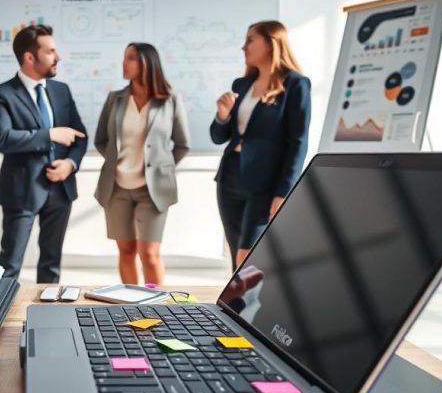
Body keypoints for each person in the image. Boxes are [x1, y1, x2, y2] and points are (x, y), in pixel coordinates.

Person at [0, 24, 87, 282]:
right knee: (10, 264)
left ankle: (48, 317)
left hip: (60, 189)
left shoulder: (60, 90)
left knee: (51, 265)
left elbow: (80, 137)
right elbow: (4, 139)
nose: (58, 57)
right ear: (29, 57)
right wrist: (49, 135)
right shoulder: (1, 94)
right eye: (51, 51)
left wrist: (70, 164)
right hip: (21, 191)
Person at [211, 20, 311, 268]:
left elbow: (297, 143)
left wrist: (283, 192)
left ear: (271, 43)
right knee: (236, 253)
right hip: (230, 177)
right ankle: (238, 306)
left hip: (265, 184)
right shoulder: (241, 85)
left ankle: (249, 305)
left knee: (250, 255)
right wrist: (223, 115)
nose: (243, 47)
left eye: (250, 40)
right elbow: (219, 136)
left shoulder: (296, 85)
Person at [94, 43, 190, 285]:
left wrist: (161, 169)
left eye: (131, 58)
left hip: (153, 191)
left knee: (149, 254)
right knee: (126, 252)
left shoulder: (170, 100)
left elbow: (182, 144)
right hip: (116, 188)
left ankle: (156, 311)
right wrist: (116, 161)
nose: (124, 63)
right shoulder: (115, 99)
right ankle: (130, 309)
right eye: (125, 57)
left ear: (147, 63)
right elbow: (101, 140)